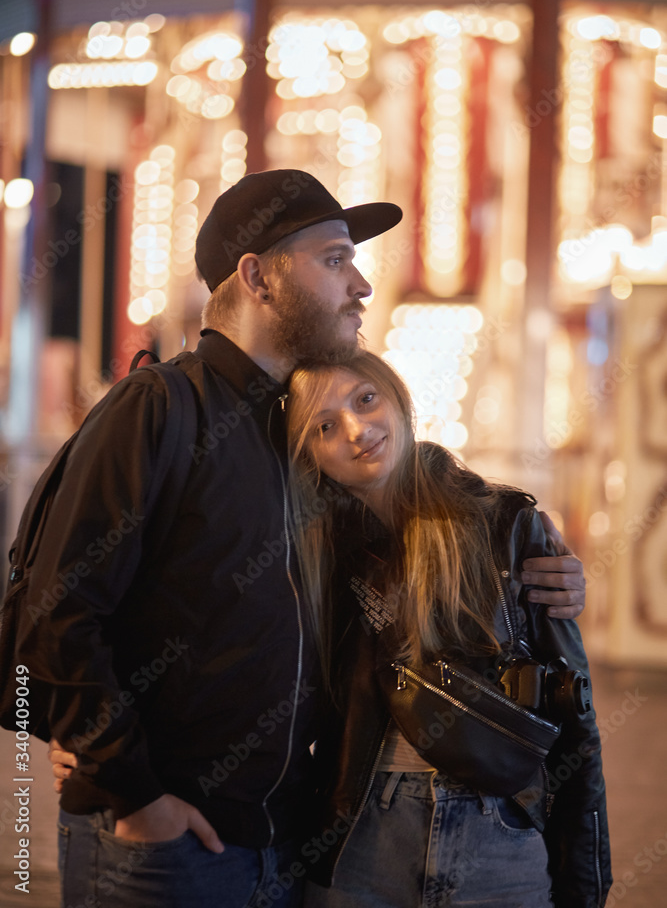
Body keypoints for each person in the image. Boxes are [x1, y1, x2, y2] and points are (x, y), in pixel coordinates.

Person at [42, 169, 586, 908]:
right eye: (334, 258)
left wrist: (523, 541)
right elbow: (51, 616)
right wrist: (128, 784)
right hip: (170, 849)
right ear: (258, 277)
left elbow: (410, 495)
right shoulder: (160, 407)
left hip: (285, 851)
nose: (360, 284)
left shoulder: (294, 436)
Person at [283, 351, 612, 908]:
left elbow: (571, 707)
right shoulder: (315, 553)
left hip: (499, 826)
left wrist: (585, 870)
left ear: (398, 398)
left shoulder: (503, 521)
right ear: (309, 455)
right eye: (324, 426)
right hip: (363, 833)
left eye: (366, 399)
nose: (358, 431)